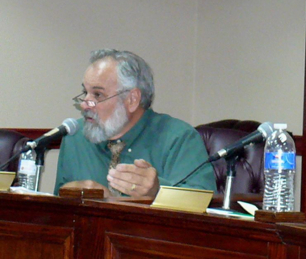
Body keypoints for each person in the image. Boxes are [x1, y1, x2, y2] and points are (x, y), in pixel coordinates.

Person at [55, 49, 215, 198]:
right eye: (85, 92)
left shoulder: (179, 138)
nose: (84, 104)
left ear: (132, 99)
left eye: (98, 94)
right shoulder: (74, 136)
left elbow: (203, 206)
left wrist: (157, 192)